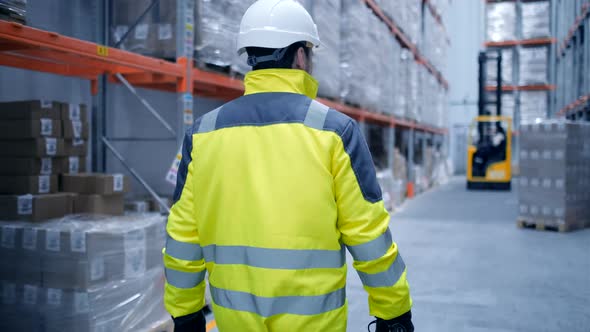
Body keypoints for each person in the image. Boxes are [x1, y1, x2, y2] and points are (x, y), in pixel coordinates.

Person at [163, 1, 413, 331]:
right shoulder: (334, 132)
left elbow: (182, 238)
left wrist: (185, 315)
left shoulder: (204, 133)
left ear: (250, 57)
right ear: (299, 56)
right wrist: (394, 314)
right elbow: (369, 237)